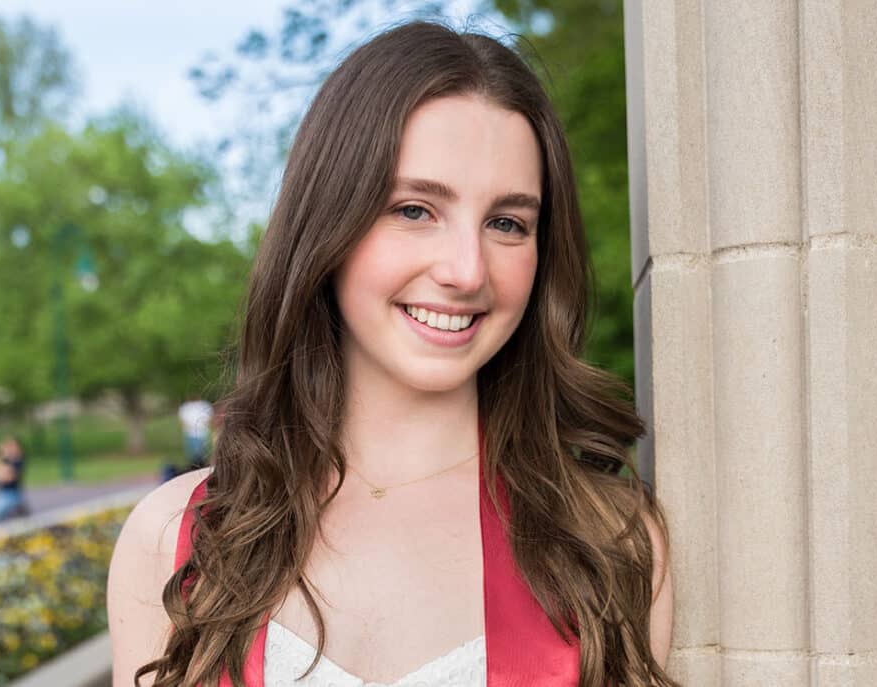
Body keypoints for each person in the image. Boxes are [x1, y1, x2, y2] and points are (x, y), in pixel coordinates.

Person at [108, 20, 676, 687]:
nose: (468, 270)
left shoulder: (611, 542)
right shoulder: (176, 537)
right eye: (415, 209)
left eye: (507, 223)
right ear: (329, 226)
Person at [0, 436, 29, 522]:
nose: (9, 449)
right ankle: (17, 507)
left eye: (11, 446)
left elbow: (7, 478)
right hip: (1, 492)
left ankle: (17, 506)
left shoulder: (18, 461)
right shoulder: (6, 459)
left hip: (11, 493)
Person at [177, 396, 214, 469]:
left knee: (203, 453)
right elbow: (182, 420)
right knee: (193, 454)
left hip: (202, 433)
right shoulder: (185, 407)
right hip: (190, 433)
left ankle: (203, 466)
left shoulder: (204, 404)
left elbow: (210, 417)